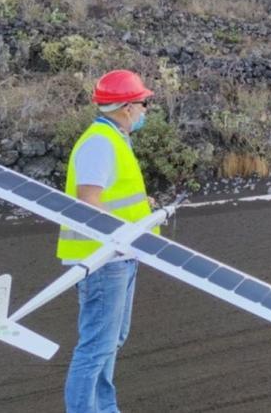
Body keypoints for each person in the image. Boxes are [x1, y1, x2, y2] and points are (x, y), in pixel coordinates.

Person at [59, 69, 156, 413]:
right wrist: (120, 235)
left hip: (120, 256)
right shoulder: (100, 142)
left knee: (110, 341)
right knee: (96, 347)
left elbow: (114, 197)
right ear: (127, 107)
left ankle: (104, 408)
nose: (146, 110)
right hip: (102, 260)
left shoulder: (115, 138)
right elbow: (89, 199)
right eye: (144, 103)